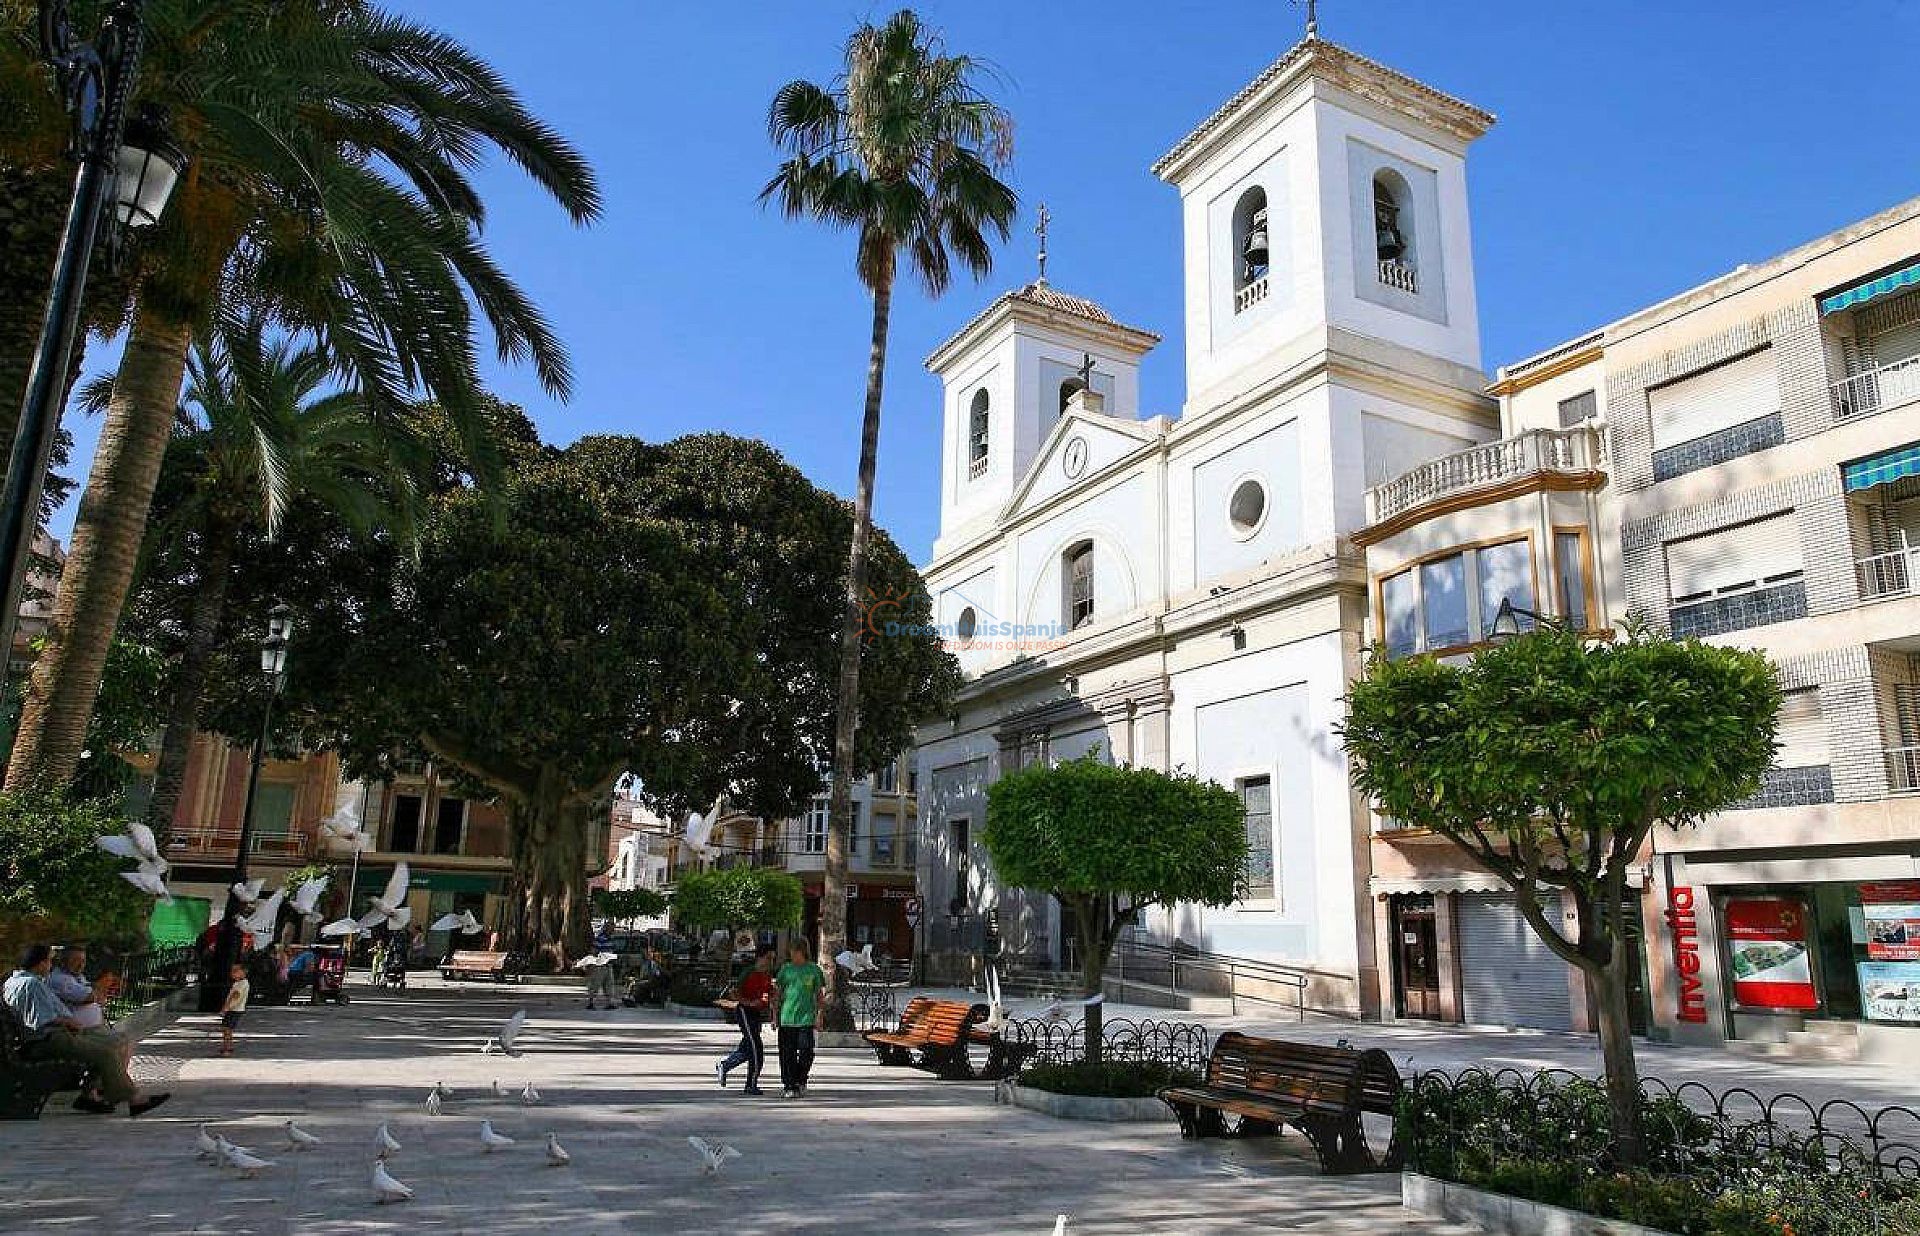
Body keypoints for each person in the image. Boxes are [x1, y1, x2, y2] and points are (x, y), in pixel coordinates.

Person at [4, 945, 169, 1116]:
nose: (50, 966)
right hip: (49, 1039)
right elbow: (41, 1020)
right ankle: (134, 1099)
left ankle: (96, 1095)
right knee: (106, 1053)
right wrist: (69, 1022)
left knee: (114, 1045)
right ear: (39, 963)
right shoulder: (31, 984)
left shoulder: (14, 981)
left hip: (50, 1036)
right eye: (48, 961)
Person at [716, 946, 774, 1095]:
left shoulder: (768, 975)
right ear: (760, 958)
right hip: (745, 1011)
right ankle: (751, 1084)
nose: (770, 961)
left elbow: (768, 994)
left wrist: (770, 1003)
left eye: (772, 958)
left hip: (757, 1013)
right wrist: (748, 1002)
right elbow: (733, 993)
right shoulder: (749, 973)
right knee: (756, 1049)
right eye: (768, 958)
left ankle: (726, 1065)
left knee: (748, 1047)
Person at [771, 941, 824, 1099]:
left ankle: (801, 1079)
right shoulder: (785, 970)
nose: (791, 954)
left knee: (807, 1051)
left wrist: (819, 1015)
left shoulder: (814, 970)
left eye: (793, 951)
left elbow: (819, 995)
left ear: (801, 951)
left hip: (806, 1019)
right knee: (787, 1054)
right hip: (787, 1018)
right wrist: (774, 1016)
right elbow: (777, 995)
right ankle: (789, 1084)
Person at [219, 961, 249, 1056]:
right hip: (234, 1009)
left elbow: (235, 996)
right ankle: (228, 1046)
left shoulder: (242, 984)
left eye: (235, 971)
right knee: (227, 1029)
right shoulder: (239, 983)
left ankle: (227, 1048)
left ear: (243, 972)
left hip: (234, 1010)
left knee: (227, 1029)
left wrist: (226, 1007)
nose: (232, 973)